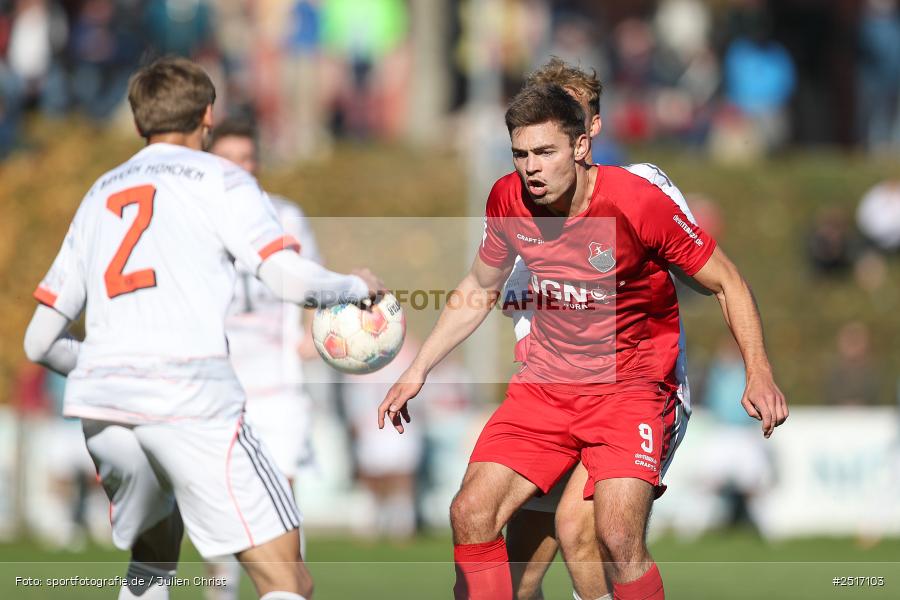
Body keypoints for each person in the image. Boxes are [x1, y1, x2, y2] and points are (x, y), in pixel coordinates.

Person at [378, 84, 787, 600]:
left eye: (544, 152)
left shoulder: (637, 202)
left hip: (631, 388)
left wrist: (759, 371)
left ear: (580, 146)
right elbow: (480, 286)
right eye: (520, 154)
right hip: (547, 388)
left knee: (613, 537)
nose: (531, 168)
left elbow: (727, 282)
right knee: (471, 512)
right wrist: (418, 368)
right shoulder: (508, 198)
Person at [23, 56, 382, 600]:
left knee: (151, 567)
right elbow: (286, 278)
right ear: (208, 115)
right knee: (288, 578)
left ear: (138, 118)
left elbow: (38, 341)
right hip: (191, 397)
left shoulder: (99, 194)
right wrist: (354, 287)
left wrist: (102, 363)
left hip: (103, 406)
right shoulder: (222, 178)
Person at [504, 57, 703, 600]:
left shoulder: (640, 186)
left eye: (572, 115)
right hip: (551, 396)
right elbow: (504, 293)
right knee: (515, 576)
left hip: (633, 389)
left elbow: (697, 266)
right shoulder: (523, 200)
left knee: (583, 531)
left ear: (590, 127)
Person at [206, 118, 323, 599]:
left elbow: (314, 284)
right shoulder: (196, 220)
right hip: (217, 388)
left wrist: (317, 334)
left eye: (247, 158)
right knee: (222, 511)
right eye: (228, 158)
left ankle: (288, 590)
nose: (240, 167)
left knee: (283, 507)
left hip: (278, 389)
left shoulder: (287, 216)